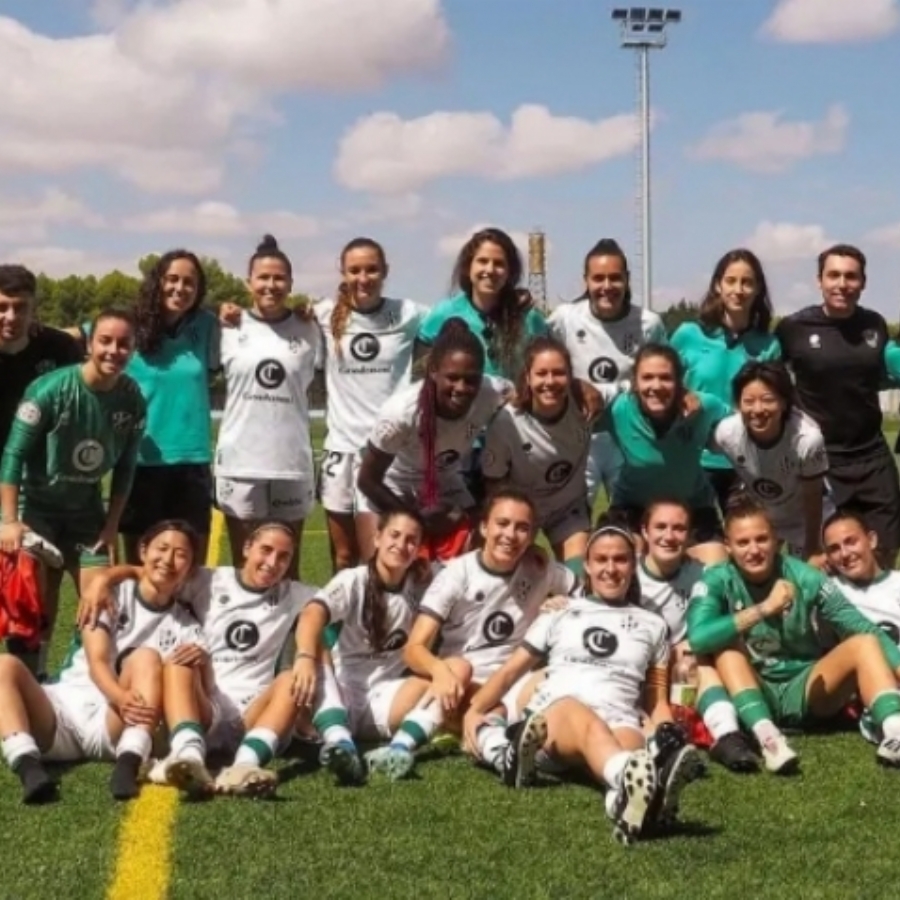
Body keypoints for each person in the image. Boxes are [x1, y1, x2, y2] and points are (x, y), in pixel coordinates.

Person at [463, 523, 703, 846]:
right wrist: (474, 711)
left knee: (632, 753)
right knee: (582, 717)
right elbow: (510, 672)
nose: (610, 568)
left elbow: (655, 700)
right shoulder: (560, 612)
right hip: (555, 720)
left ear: (633, 565)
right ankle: (627, 778)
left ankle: (623, 804)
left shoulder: (654, 626)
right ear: (587, 565)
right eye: (601, 559)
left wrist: (666, 737)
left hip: (619, 719)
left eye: (620, 560)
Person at [361, 489, 576, 779]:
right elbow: (413, 650)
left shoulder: (542, 568)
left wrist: (565, 604)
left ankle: (521, 749)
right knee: (480, 695)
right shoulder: (456, 574)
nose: (510, 535)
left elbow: (587, 595)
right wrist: (440, 672)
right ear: (484, 527)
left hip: (515, 680)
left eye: (522, 528)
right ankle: (503, 750)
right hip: (465, 685)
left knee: (562, 679)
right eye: (502, 524)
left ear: (531, 535)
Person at [687, 500, 900, 773]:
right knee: (725, 648)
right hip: (754, 684)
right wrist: (763, 609)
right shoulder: (716, 579)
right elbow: (698, 638)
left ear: (776, 540)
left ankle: (894, 733)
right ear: (728, 546)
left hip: (805, 687)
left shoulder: (805, 577)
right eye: (743, 542)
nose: (754, 550)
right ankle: (770, 740)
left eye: (762, 539)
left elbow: (861, 626)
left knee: (865, 643)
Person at [0, 520, 204, 803]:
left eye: (181, 554)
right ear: (143, 551)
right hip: (63, 713)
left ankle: (128, 763)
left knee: (146, 658)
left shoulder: (187, 625)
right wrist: (119, 695)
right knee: (5, 665)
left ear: (191, 568)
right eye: (162, 548)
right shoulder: (107, 594)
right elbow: (97, 661)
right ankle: (29, 768)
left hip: (116, 725)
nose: (168, 560)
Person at [0, 308, 146, 678]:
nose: (114, 350)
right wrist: (10, 521)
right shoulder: (49, 389)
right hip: (36, 511)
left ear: (133, 348)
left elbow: (127, 467)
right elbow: (13, 454)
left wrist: (111, 526)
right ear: (89, 344)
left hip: (85, 516)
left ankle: (83, 684)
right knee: (33, 607)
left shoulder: (132, 398)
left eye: (124, 344)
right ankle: (31, 684)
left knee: (99, 602)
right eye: (105, 341)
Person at [291, 508, 464, 785]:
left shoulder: (423, 580)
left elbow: (470, 568)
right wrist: (303, 657)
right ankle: (340, 743)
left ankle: (399, 749)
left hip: (388, 697)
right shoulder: (353, 580)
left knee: (455, 669)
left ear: (418, 549)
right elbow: (311, 614)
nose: (401, 545)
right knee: (316, 645)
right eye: (394, 535)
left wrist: (531, 555)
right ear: (377, 538)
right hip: (341, 692)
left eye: (411, 540)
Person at [776, 244, 900, 563]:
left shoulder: (874, 324)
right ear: (819, 280)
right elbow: (768, 380)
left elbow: (883, 371)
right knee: (825, 560)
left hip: (872, 456)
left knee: (884, 553)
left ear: (863, 282)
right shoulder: (793, 328)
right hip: (821, 460)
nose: (842, 284)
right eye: (833, 275)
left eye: (850, 276)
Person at [214, 235, 322, 579]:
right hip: (240, 463)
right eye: (263, 277)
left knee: (288, 569)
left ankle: (290, 618)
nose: (270, 285)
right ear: (249, 282)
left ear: (290, 283)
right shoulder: (228, 327)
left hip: (291, 464)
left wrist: (313, 310)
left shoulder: (310, 327)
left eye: (279, 278)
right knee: (244, 565)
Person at [314, 238, 423, 568]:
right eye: (355, 270)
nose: (363, 278)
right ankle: (342, 604)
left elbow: (457, 319)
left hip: (387, 453)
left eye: (372, 269)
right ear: (343, 273)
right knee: (343, 556)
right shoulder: (323, 314)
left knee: (378, 556)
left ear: (385, 271)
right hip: (341, 451)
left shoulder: (408, 313)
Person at [357, 318, 503, 561]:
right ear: (433, 371)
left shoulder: (493, 393)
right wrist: (417, 520)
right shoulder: (401, 412)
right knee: (384, 568)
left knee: (480, 555)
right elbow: (368, 480)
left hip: (445, 480)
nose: (461, 388)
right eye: (452, 377)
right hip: (390, 485)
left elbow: (525, 395)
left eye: (471, 379)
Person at [0, 264, 83, 665]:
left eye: (20, 307)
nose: (10, 316)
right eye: (2, 307)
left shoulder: (59, 349)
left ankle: (32, 670)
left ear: (35, 308)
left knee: (32, 576)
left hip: (41, 483)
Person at [113, 250, 220, 564]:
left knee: (192, 570)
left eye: (189, 282)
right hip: (140, 461)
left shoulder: (208, 325)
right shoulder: (130, 325)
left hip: (192, 461)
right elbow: (83, 335)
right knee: (140, 568)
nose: (180, 288)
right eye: (173, 279)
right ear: (158, 281)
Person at [638, 500, 760, 772]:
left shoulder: (702, 574)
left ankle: (728, 737)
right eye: (660, 527)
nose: (669, 536)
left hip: (686, 672)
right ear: (644, 531)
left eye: (679, 528)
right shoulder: (628, 576)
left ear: (690, 534)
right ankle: (667, 744)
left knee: (697, 659)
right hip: (641, 673)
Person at [548, 238, 667, 505]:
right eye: (598, 278)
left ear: (626, 280)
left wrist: (609, 392)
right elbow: (539, 363)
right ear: (586, 281)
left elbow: (663, 378)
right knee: (574, 516)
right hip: (576, 436)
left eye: (614, 278)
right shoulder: (564, 319)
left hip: (628, 436)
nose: (606, 286)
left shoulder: (649, 324)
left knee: (633, 516)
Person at [598, 344, 729, 564]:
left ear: (679, 382)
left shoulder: (703, 407)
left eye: (666, 378)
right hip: (633, 508)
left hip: (692, 506)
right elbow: (573, 416)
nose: (656, 386)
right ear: (635, 382)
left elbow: (738, 425)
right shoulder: (619, 410)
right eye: (647, 377)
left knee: (717, 567)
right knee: (621, 561)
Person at [671, 249, 780, 511]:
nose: (738, 290)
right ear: (718, 285)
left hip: (747, 462)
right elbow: (665, 385)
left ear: (758, 289)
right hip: (693, 459)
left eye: (747, 282)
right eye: (731, 281)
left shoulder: (769, 345)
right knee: (695, 534)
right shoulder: (688, 335)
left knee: (747, 534)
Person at [481, 336, 592, 565]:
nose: (550, 381)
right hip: (522, 513)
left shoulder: (586, 406)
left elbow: (629, 397)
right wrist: (518, 533)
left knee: (578, 573)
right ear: (528, 377)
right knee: (515, 573)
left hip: (567, 509)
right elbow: (494, 483)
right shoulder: (506, 423)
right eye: (541, 373)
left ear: (571, 377)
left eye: (559, 373)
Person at [712, 361, 831, 560]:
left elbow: (813, 495)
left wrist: (813, 545)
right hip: (767, 517)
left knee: (810, 572)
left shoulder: (807, 439)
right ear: (738, 404)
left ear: (784, 402)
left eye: (768, 400)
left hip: (809, 519)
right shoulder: (727, 433)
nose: (758, 410)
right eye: (748, 401)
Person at [416, 228, 548, 385]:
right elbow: (419, 377)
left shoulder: (529, 318)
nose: (490, 270)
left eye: (499, 263)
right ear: (468, 267)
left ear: (510, 272)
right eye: (482, 261)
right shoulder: (443, 315)